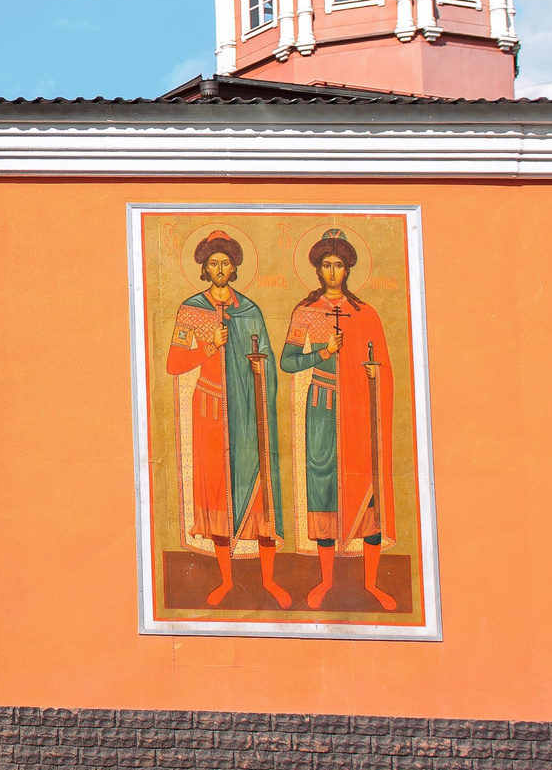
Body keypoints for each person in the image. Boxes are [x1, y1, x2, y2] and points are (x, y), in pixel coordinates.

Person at [162, 232, 289, 606]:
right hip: (212, 410)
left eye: (226, 262)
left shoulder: (249, 310)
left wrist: (258, 369)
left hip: (249, 412)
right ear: (204, 268)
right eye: (212, 263)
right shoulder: (192, 309)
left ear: (235, 268)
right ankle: (226, 580)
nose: (219, 269)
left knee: (260, 495)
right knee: (218, 494)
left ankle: (268, 580)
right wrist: (209, 345)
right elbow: (174, 363)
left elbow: (265, 355)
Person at [277, 229, 400, 611]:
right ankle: (326, 581)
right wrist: (322, 353)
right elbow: (287, 361)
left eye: (340, 266)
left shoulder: (366, 314)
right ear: (317, 269)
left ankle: (372, 584)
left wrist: (374, 374)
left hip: (361, 411)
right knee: (324, 490)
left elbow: (384, 367)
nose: (333, 272)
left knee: (369, 492)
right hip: (323, 409)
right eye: (327, 265)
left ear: (348, 270)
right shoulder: (307, 313)